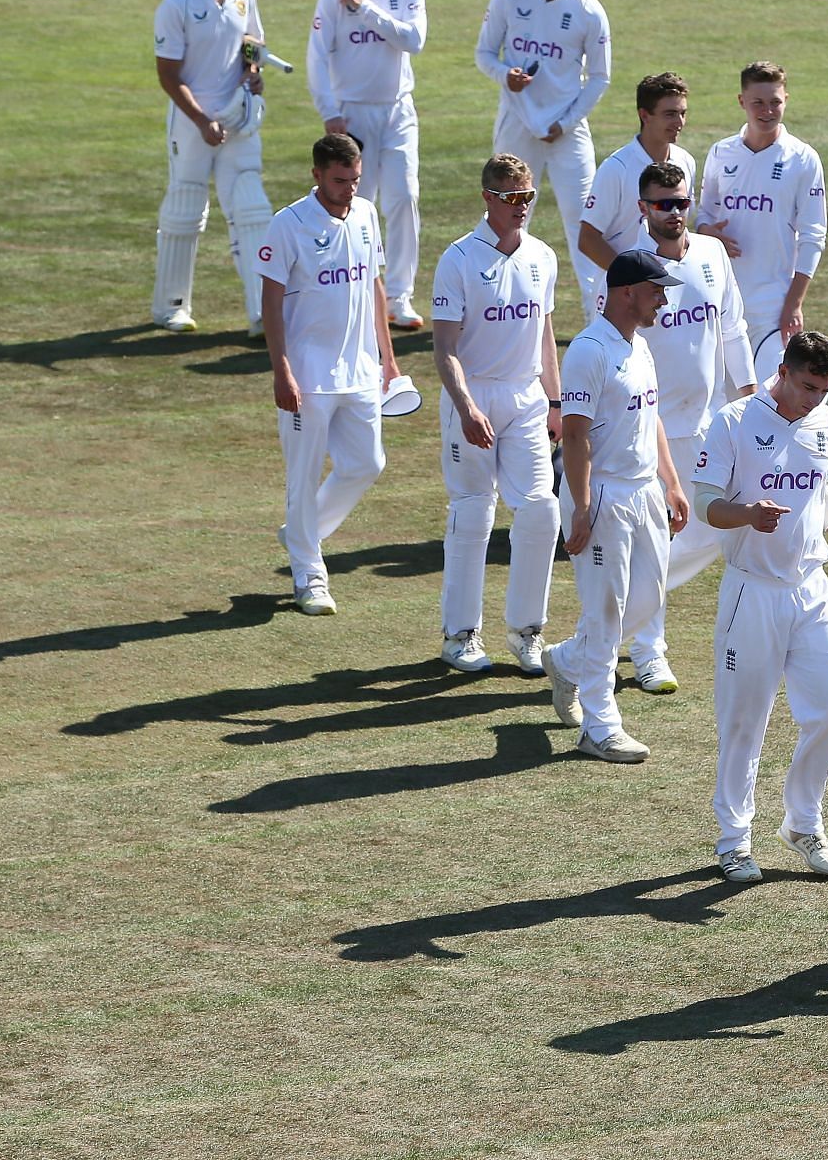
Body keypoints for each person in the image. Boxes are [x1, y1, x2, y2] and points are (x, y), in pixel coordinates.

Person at [688, 332, 828, 883]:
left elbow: (819, 498)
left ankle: (803, 822)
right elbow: (703, 503)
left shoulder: (824, 421)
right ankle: (734, 840)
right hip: (752, 591)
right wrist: (745, 515)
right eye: (809, 387)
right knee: (745, 721)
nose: (816, 400)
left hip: (813, 591)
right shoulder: (733, 422)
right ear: (783, 370)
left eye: (826, 390)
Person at [541, 250, 691, 763]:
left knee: (645, 602)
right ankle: (600, 727)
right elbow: (577, 437)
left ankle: (566, 660)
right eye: (657, 290)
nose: (663, 300)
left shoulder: (640, 346)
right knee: (605, 611)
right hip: (602, 493)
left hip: (644, 490)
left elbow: (653, 420)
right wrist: (582, 507)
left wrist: (671, 483)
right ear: (628, 292)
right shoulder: (588, 351)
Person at [616, 160, 755, 695]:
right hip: (645, 431)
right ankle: (648, 653)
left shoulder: (713, 254)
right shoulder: (630, 267)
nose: (673, 213)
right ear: (642, 207)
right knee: (655, 542)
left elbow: (734, 329)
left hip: (706, 424)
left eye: (680, 203)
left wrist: (747, 399)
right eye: (661, 204)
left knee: (714, 529)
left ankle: (612, 622)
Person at [429, 155, 564, 673]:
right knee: (473, 510)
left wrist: (555, 402)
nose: (521, 208)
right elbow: (445, 349)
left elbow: (546, 336)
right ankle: (460, 635)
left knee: (540, 510)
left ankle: (527, 631)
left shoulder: (542, 257)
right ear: (488, 198)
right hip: (474, 396)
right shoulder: (459, 259)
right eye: (511, 198)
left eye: (527, 197)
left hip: (525, 398)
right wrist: (465, 407)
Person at [258, 134, 402, 615]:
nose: (350, 189)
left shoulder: (364, 214)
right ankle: (309, 576)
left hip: (361, 371)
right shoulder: (288, 225)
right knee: (302, 477)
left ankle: (303, 531)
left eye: (356, 179)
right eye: (340, 180)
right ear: (316, 174)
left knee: (367, 463)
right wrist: (282, 370)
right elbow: (271, 303)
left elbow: (375, 285)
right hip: (308, 375)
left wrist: (388, 358)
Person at [474, 0, 610, 329]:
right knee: (508, 217)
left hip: (567, 132)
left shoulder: (587, 10)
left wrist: (565, 122)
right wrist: (505, 75)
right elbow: (484, 53)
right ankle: (500, 314)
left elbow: (601, 78)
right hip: (516, 125)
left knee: (584, 224)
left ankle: (598, 322)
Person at [151, 0, 273, 335]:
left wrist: (252, 72)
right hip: (191, 123)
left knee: (253, 209)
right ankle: (171, 307)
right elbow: (168, 74)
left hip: (238, 120)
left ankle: (263, 314)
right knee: (186, 208)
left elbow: (252, 43)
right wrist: (201, 121)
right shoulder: (178, 5)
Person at [307, 0, 428, 330]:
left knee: (405, 196)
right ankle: (354, 292)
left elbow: (413, 40)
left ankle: (398, 296)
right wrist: (330, 112)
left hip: (397, 111)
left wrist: (366, 10)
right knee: (357, 204)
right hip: (352, 113)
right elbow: (317, 56)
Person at [694, 62, 826, 382]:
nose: (767, 111)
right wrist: (707, 233)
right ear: (742, 102)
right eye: (758, 103)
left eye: (775, 102)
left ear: (786, 100)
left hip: (772, 309)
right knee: (723, 408)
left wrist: (794, 304)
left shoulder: (803, 159)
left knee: (774, 401)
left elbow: (813, 236)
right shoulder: (721, 152)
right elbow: (703, 216)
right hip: (721, 303)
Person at [576, 72, 699, 325]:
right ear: (645, 115)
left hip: (672, 293)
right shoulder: (616, 169)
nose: (679, 122)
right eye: (670, 114)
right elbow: (588, 239)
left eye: (682, 113)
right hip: (625, 299)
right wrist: (634, 278)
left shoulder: (686, 162)